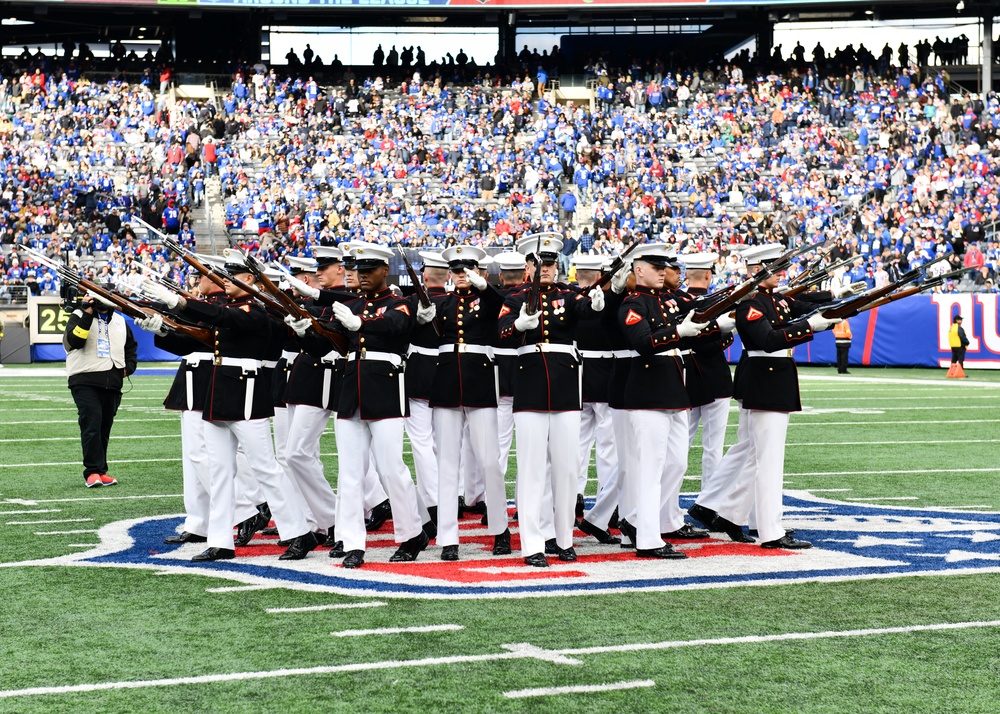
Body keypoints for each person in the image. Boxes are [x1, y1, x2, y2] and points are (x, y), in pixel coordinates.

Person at [498, 234, 606, 567]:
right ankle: (533, 543)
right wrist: (518, 324)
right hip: (529, 381)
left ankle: (563, 538)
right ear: (528, 266)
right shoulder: (514, 297)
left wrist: (602, 300)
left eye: (550, 264)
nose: (545, 269)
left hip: (565, 383)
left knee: (566, 467)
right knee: (531, 468)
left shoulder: (568, 294)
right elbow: (500, 332)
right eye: (539, 264)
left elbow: (586, 310)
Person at [427, 245, 511, 561]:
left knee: (490, 460)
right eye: (458, 272)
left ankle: (500, 530)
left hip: (480, 384)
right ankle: (448, 537)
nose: (462, 277)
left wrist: (484, 288)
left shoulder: (489, 300)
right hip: (447, 385)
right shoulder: (443, 303)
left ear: (479, 272)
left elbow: (504, 308)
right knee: (448, 464)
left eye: (468, 271)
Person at [63, 289, 137, 488]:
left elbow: (131, 348)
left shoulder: (120, 320)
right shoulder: (78, 315)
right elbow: (75, 341)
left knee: (104, 427)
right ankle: (92, 472)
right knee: (91, 425)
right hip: (85, 378)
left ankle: (101, 471)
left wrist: (128, 368)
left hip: (112, 381)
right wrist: (87, 312)